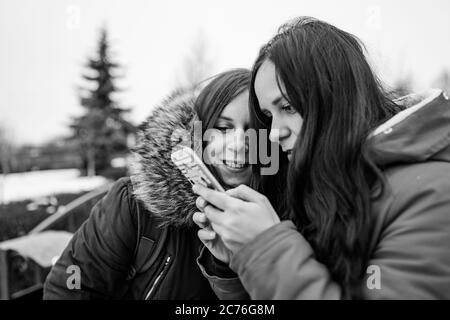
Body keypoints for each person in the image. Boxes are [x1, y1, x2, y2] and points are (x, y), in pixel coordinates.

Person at [193, 17, 450, 299]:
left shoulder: (432, 193)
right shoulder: (319, 187)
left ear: (334, 95)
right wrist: (241, 261)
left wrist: (264, 247)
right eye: (268, 117)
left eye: (288, 106)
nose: (273, 134)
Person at [43, 68, 252, 299]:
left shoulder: (282, 219)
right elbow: (69, 286)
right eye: (223, 128)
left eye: (255, 130)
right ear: (197, 134)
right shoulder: (134, 206)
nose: (239, 143)